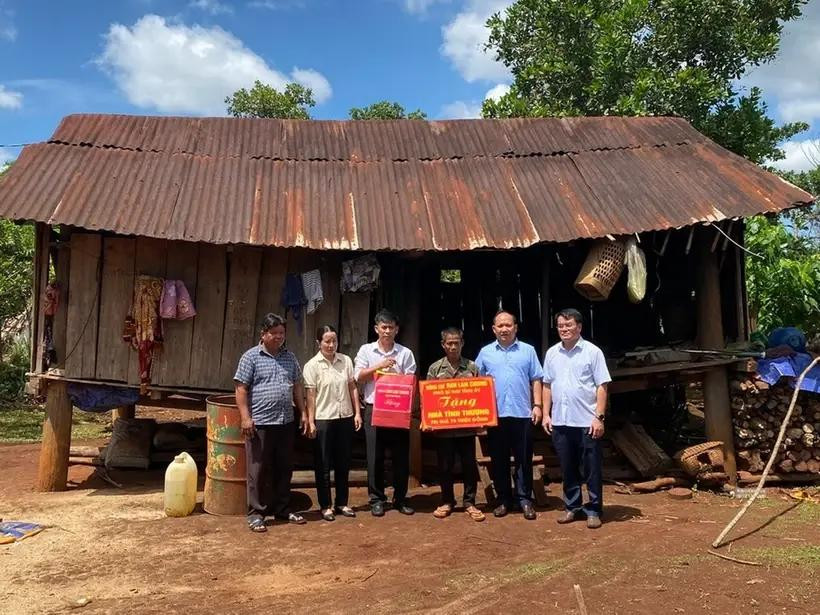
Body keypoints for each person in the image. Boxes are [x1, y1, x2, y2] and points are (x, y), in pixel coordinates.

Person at [234, 313, 311, 533]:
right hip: (260, 423)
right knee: (257, 469)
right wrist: (246, 418)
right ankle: (256, 513)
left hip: (285, 421)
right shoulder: (251, 357)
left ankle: (283, 508)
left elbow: (297, 385)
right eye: (274, 333)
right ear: (263, 334)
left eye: (282, 333)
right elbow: (241, 389)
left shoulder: (290, 357)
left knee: (284, 467)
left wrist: (303, 412)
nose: (279, 337)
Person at [542, 308, 611, 529]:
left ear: (579, 327)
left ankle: (593, 509)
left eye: (569, 325)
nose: (564, 329)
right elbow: (547, 385)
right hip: (561, 421)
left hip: (586, 421)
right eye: (561, 326)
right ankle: (572, 507)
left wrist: (599, 417)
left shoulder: (592, 352)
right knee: (568, 467)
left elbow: (602, 386)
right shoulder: (552, 353)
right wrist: (545, 413)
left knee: (591, 468)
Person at [475, 310, 543, 520]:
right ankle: (503, 499)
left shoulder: (528, 351)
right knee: (499, 459)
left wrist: (538, 405)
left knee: (523, 458)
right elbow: (476, 382)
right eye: (500, 326)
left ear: (515, 328)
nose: (504, 329)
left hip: (522, 413)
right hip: (496, 415)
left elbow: (537, 379)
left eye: (508, 325)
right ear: (493, 329)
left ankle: (524, 499)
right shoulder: (485, 353)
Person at [354, 309, 417, 517]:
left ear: (397, 330)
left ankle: (400, 499)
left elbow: (411, 382)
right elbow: (358, 377)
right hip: (374, 408)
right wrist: (379, 366)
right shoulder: (366, 351)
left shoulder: (405, 353)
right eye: (384, 327)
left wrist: (394, 375)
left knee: (400, 455)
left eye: (391, 327)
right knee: (374, 456)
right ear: (376, 329)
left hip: (398, 409)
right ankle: (376, 499)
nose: (387, 331)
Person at [425, 327, 485, 522]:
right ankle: (447, 501)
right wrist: (427, 420)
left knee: (469, 465)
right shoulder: (435, 369)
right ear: (443, 345)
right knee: (445, 466)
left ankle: (469, 502)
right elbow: (428, 398)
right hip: (443, 430)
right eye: (449, 343)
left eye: (456, 343)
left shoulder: (472, 367)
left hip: (466, 429)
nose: (453, 346)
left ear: (462, 343)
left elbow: (480, 396)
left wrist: (482, 421)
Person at [303, 325, 363, 522]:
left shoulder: (345, 361)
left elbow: (352, 387)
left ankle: (342, 503)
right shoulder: (312, 365)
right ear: (318, 343)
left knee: (343, 462)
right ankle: (325, 505)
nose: (331, 345)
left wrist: (356, 413)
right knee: (323, 464)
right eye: (327, 341)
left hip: (344, 417)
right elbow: (310, 396)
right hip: (323, 419)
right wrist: (311, 421)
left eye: (334, 341)